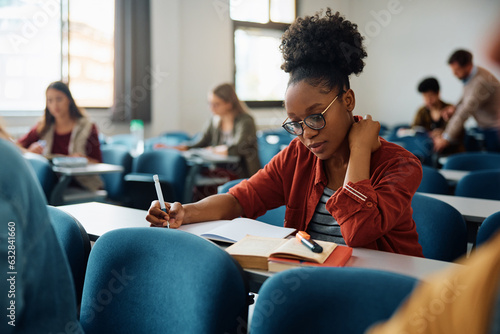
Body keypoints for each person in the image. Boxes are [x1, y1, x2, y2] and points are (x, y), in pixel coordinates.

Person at [147, 9, 423, 257]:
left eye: (315, 117)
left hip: (389, 296)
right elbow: (239, 199)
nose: (306, 134)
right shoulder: (298, 156)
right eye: (295, 123)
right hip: (312, 283)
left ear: (348, 101)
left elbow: (358, 231)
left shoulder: (400, 164)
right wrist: (184, 211)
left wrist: (360, 150)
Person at [0, 138, 83, 333]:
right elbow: (22, 143)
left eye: (58, 102)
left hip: (81, 185)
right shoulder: (44, 127)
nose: (54, 105)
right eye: (51, 103)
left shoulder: (3, 169)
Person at [18, 81, 103, 191]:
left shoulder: (88, 126)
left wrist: (83, 159)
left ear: (69, 100)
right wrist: (30, 152)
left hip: (80, 183)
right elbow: (16, 147)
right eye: (50, 101)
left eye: (59, 99)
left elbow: (98, 162)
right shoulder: (43, 126)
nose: (55, 105)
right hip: (51, 180)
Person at [174, 83, 261, 179]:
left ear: (229, 104)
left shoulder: (246, 121)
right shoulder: (215, 120)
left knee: (197, 180)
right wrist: (179, 147)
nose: (211, 108)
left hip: (242, 172)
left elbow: (237, 148)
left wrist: (212, 150)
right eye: (210, 103)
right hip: (220, 169)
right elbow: (202, 142)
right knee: (191, 176)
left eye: (216, 104)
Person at [433, 49, 500, 152]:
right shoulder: (473, 74)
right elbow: (466, 95)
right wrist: (454, 107)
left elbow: (465, 112)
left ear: (468, 65)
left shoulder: (481, 83)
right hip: (485, 127)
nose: (454, 74)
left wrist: (446, 138)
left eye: (457, 70)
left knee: (494, 162)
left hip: (494, 130)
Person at [412, 77, 464, 154]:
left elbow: (460, 132)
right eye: (425, 97)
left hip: (451, 151)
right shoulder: (421, 112)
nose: (428, 100)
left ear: (438, 93)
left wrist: (444, 134)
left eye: (430, 96)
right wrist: (429, 134)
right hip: (428, 151)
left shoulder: (450, 109)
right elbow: (415, 130)